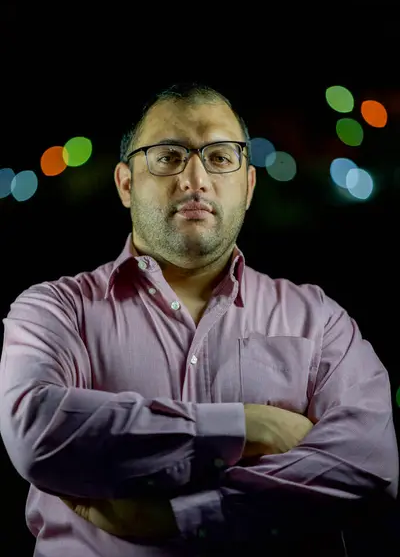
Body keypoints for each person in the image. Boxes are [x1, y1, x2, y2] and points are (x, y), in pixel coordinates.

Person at [0, 82, 398, 557]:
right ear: (126, 184)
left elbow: (371, 467)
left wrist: (178, 517)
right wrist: (248, 428)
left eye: (220, 156)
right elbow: (38, 433)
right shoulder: (55, 310)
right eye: (168, 156)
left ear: (248, 185)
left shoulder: (320, 320)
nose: (196, 178)